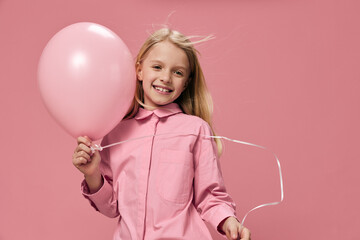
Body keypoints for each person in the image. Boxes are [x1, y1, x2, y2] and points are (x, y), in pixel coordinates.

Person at [72, 28, 251, 240]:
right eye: (157, 67)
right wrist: (92, 174)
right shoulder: (116, 132)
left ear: (185, 82)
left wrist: (229, 221)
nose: (165, 78)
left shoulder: (195, 130)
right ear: (139, 71)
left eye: (177, 72)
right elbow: (111, 208)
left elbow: (210, 196)